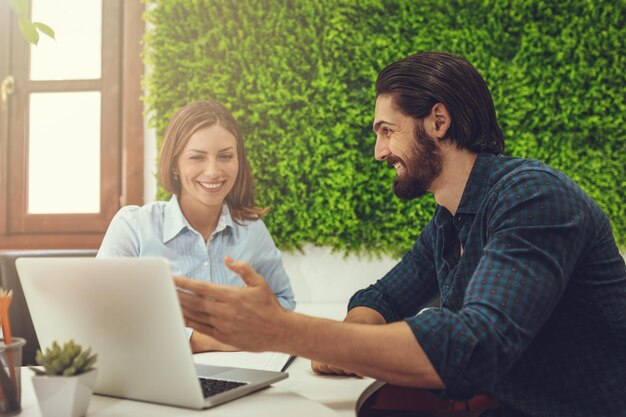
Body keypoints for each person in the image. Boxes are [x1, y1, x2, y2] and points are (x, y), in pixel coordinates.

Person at [173, 53, 626, 416]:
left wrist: (283, 330)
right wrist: (347, 340)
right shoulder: (448, 221)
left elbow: (473, 350)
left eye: (386, 131)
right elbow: (383, 297)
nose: (378, 151)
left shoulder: (531, 197)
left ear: (438, 121)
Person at [98, 100, 296, 353]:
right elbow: (104, 315)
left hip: (245, 374)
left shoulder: (252, 230)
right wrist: (202, 341)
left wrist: (256, 322)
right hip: (158, 378)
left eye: (225, 156)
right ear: (174, 165)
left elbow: (284, 303)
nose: (213, 171)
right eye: (197, 157)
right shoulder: (134, 227)